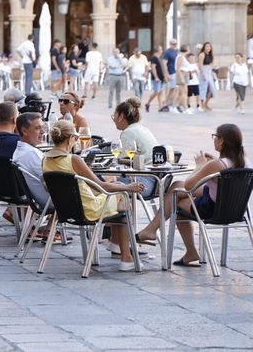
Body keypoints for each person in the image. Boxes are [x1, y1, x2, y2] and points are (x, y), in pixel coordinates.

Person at [136, 124, 250, 267]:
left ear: (221, 141)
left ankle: (159, 234)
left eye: (215, 137)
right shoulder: (245, 161)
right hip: (236, 209)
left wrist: (200, 166)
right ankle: (152, 230)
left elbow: (190, 185)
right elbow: (224, 172)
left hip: (214, 209)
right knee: (177, 185)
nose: (213, 139)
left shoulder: (216, 165)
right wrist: (212, 163)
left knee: (176, 203)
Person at [42, 120, 144, 271]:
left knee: (119, 201)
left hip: (65, 210)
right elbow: (100, 185)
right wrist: (129, 187)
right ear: (70, 139)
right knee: (122, 196)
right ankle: (125, 256)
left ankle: (117, 246)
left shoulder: (45, 158)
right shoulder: (74, 159)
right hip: (88, 209)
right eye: (75, 138)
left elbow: (48, 187)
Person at [111, 97, 159, 198]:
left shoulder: (128, 132)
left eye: (114, 116)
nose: (113, 119)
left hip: (143, 183)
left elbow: (123, 163)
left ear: (121, 116)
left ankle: (115, 211)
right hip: (157, 183)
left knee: (102, 182)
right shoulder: (142, 128)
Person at [197, 41, 217, 111]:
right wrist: (203, 75)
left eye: (209, 46)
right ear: (204, 47)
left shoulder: (210, 54)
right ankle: (202, 105)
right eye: (207, 46)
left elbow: (212, 64)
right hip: (203, 72)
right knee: (203, 89)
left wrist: (212, 72)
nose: (208, 48)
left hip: (209, 72)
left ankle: (206, 103)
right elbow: (200, 65)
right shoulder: (202, 54)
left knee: (212, 89)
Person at [161, 38, 180, 112]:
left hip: (176, 72)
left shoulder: (176, 52)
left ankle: (166, 102)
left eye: (176, 44)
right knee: (175, 89)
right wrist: (166, 74)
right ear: (170, 44)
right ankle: (172, 105)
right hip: (171, 72)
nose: (175, 45)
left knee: (173, 89)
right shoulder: (167, 52)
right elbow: (164, 63)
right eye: (173, 44)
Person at [144, 45, 165, 113]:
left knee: (161, 92)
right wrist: (156, 77)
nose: (162, 51)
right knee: (156, 91)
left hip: (161, 77)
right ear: (158, 50)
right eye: (161, 49)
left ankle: (160, 106)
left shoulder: (159, 58)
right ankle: (148, 103)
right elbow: (153, 68)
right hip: (157, 78)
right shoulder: (154, 58)